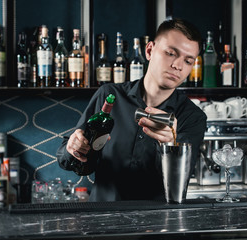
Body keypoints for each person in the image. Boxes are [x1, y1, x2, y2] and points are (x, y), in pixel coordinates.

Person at [56, 18, 207, 201]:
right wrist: (74, 148)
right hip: (103, 220)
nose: (178, 65)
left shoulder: (192, 117)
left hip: (157, 225)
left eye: (188, 61)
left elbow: (179, 183)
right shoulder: (109, 96)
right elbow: (78, 162)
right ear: (149, 50)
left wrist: (170, 147)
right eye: (170, 53)